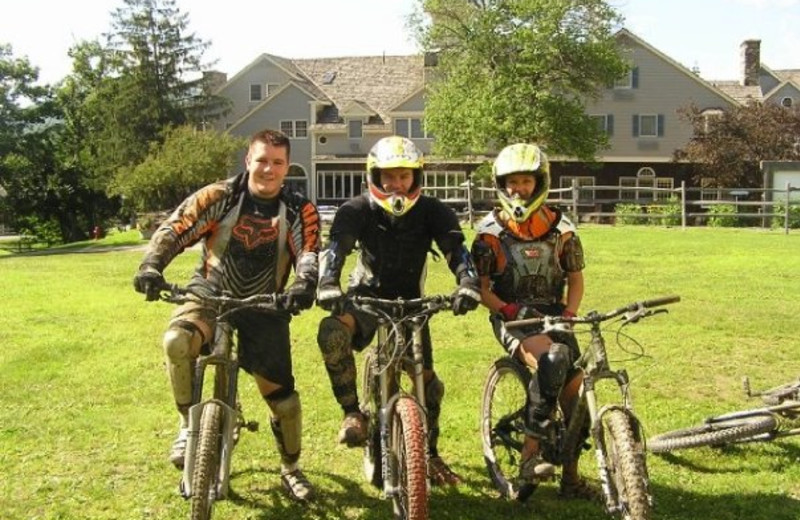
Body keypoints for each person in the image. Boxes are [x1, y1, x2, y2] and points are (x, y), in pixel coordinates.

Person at [133, 129, 320, 501]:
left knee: (285, 403)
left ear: (287, 167)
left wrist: (305, 283)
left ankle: (291, 468)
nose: (268, 169)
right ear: (248, 160)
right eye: (262, 160)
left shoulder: (300, 209)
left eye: (277, 162)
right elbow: (176, 227)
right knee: (177, 341)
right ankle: (189, 424)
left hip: (266, 303)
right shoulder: (219, 196)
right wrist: (152, 265)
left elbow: (310, 251)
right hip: (209, 292)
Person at [315, 135, 482, 486]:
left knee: (429, 386)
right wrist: (328, 283)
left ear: (416, 177)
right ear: (374, 177)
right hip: (366, 299)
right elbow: (337, 249)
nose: (397, 184)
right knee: (331, 332)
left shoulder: (434, 211)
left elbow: (456, 250)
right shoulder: (356, 209)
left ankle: (430, 454)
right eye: (388, 176)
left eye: (404, 176)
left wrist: (467, 282)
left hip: (412, 305)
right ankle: (352, 414)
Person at [471, 143, 597, 502]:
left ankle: (570, 479)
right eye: (511, 182)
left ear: (539, 183)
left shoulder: (563, 228)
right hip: (511, 319)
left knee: (578, 402)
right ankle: (530, 457)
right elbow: (482, 290)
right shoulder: (489, 233)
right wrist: (511, 311)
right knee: (553, 360)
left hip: (556, 317)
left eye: (525, 181)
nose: (518, 189)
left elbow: (575, 279)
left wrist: (569, 315)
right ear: (500, 184)